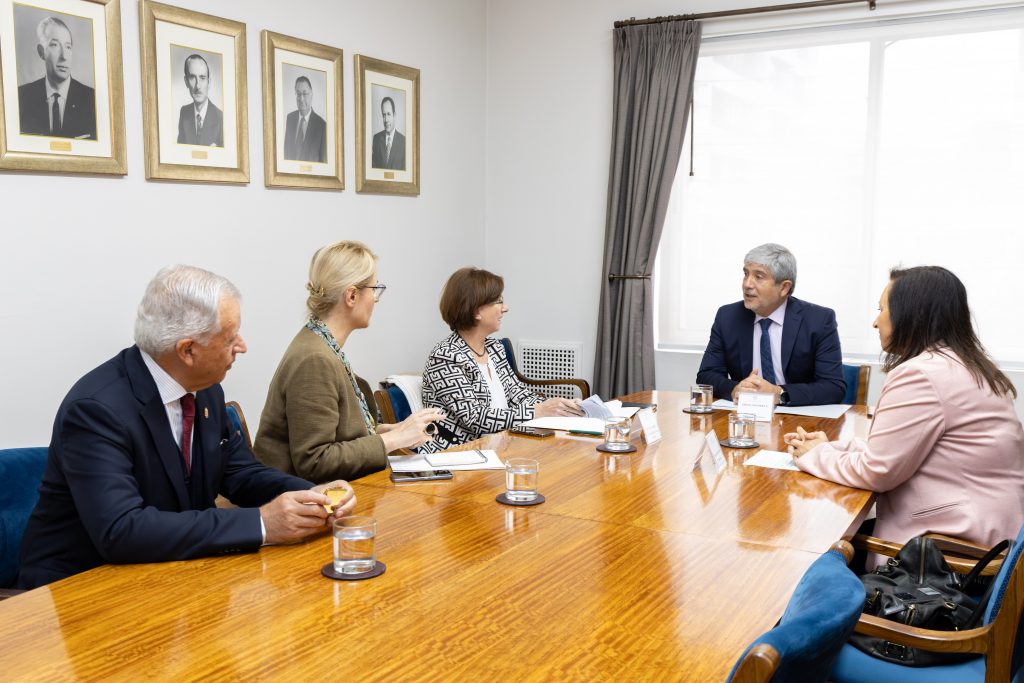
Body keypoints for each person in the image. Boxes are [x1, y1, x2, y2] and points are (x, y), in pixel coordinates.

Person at [17, 265, 355, 589]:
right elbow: (121, 530)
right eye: (230, 337)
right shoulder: (96, 411)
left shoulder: (205, 389)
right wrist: (263, 523)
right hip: (79, 590)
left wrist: (311, 494)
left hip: (169, 573)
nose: (242, 346)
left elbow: (240, 473)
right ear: (188, 350)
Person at [785, 266, 1024, 555]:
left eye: (881, 309)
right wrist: (831, 447)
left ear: (911, 315)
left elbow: (878, 471)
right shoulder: (969, 364)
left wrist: (814, 456)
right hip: (990, 532)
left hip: (946, 554)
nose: (875, 323)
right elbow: (897, 449)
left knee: (808, 549)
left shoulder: (921, 374)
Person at [254, 241, 442, 482]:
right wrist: (391, 440)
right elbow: (316, 461)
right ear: (352, 295)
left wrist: (390, 432)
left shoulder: (320, 343)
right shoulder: (314, 359)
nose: (376, 299)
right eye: (374, 289)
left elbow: (337, 435)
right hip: (304, 502)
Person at [420, 267, 584, 453]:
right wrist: (538, 411)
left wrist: (561, 406)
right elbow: (475, 419)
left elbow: (518, 394)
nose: (505, 308)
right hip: (461, 453)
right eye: (499, 301)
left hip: (502, 445)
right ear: (476, 311)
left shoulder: (495, 348)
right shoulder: (445, 357)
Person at [696, 243, 845, 406]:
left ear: (784, 287)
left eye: (758, 277)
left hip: (800, 421)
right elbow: (706, 375)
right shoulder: (728, 317)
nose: (747, 284)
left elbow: (833, 387)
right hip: (746, 417)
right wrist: (735, 389)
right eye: (746, 274)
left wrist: (779, 394)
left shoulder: (819, 320)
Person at [17, 16, 96, 140]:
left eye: (68, 47)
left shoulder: (92, 100)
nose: (64, 56)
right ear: (41, 52)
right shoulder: (21, 97)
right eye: (54, 45)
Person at [177, 53, 223, 147]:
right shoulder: (184, 112)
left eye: (202, 78)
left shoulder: (221, 118)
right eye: (192, 78)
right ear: (186, 81)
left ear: (209, 82)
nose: (198, 86)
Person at [283, 75, 326, 163]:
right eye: (298, 94)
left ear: (311, 94)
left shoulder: (321, 125)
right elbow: (286, 153)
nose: (301, 99)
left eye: (305, 94)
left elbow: (323, 162)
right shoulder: (290, 118)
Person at [371, 96, 405, 170]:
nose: (386, 120)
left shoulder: (403, 142)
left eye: (389, 114)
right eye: (384, 115)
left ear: (394, 115)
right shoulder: (376, 139)